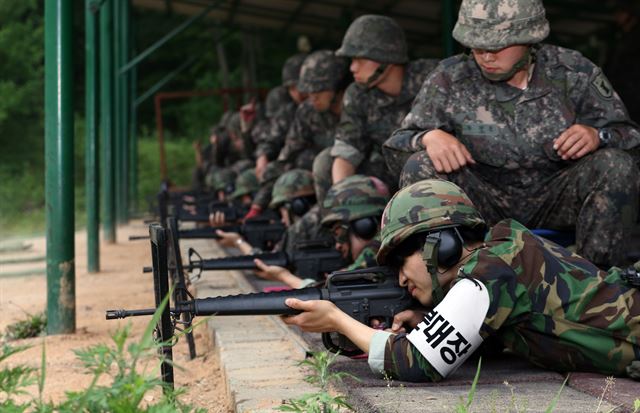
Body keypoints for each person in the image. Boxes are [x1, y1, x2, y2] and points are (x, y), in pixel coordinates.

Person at [282, 179, 640, 382]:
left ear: (442, 243)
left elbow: (415, 362)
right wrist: (428, 321)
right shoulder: (502, 253)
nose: (402, 278)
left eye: (401, 261)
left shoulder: (491, 270)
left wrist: (335, 319)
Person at [383, 0, 640, 268]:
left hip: (557, 198)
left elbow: (631, 138)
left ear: (529, 38)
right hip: (482, 203)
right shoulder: (450, 77)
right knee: (420, 165)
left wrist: (598, 136)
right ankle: (444, 282)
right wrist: (427, 137)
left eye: (495, 46)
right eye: (476, 46)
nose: (485, 56)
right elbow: (396, 147)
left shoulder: (573, 72)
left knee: (615, 166)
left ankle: (593, 285)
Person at [312, 15, 439, 200]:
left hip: (434, 173)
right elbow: (347, 151)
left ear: (386, 57)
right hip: (387, 175)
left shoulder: (433, 78)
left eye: (360, 60)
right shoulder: (357, 94)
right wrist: (343, 198)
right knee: (325, 162)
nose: (352, 68)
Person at [254, 174, 390, 287]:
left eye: (339, 233)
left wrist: (283, 276)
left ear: (364, 227)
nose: (338, 245)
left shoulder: (380, 248)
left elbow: (327, 292)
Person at [215, 169, 330, 257]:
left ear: (297, 207)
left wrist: (238, 242)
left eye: (282, 210)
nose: (282, 219)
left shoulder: (301, 229)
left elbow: (267, 264)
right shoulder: (329, 217)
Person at [275, 50, 351, 171]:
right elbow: (290, 151)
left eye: (319, 90)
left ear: (338, 86)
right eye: (309, 91)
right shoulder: (307, 111)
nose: (313, 97)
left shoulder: (359, 108)